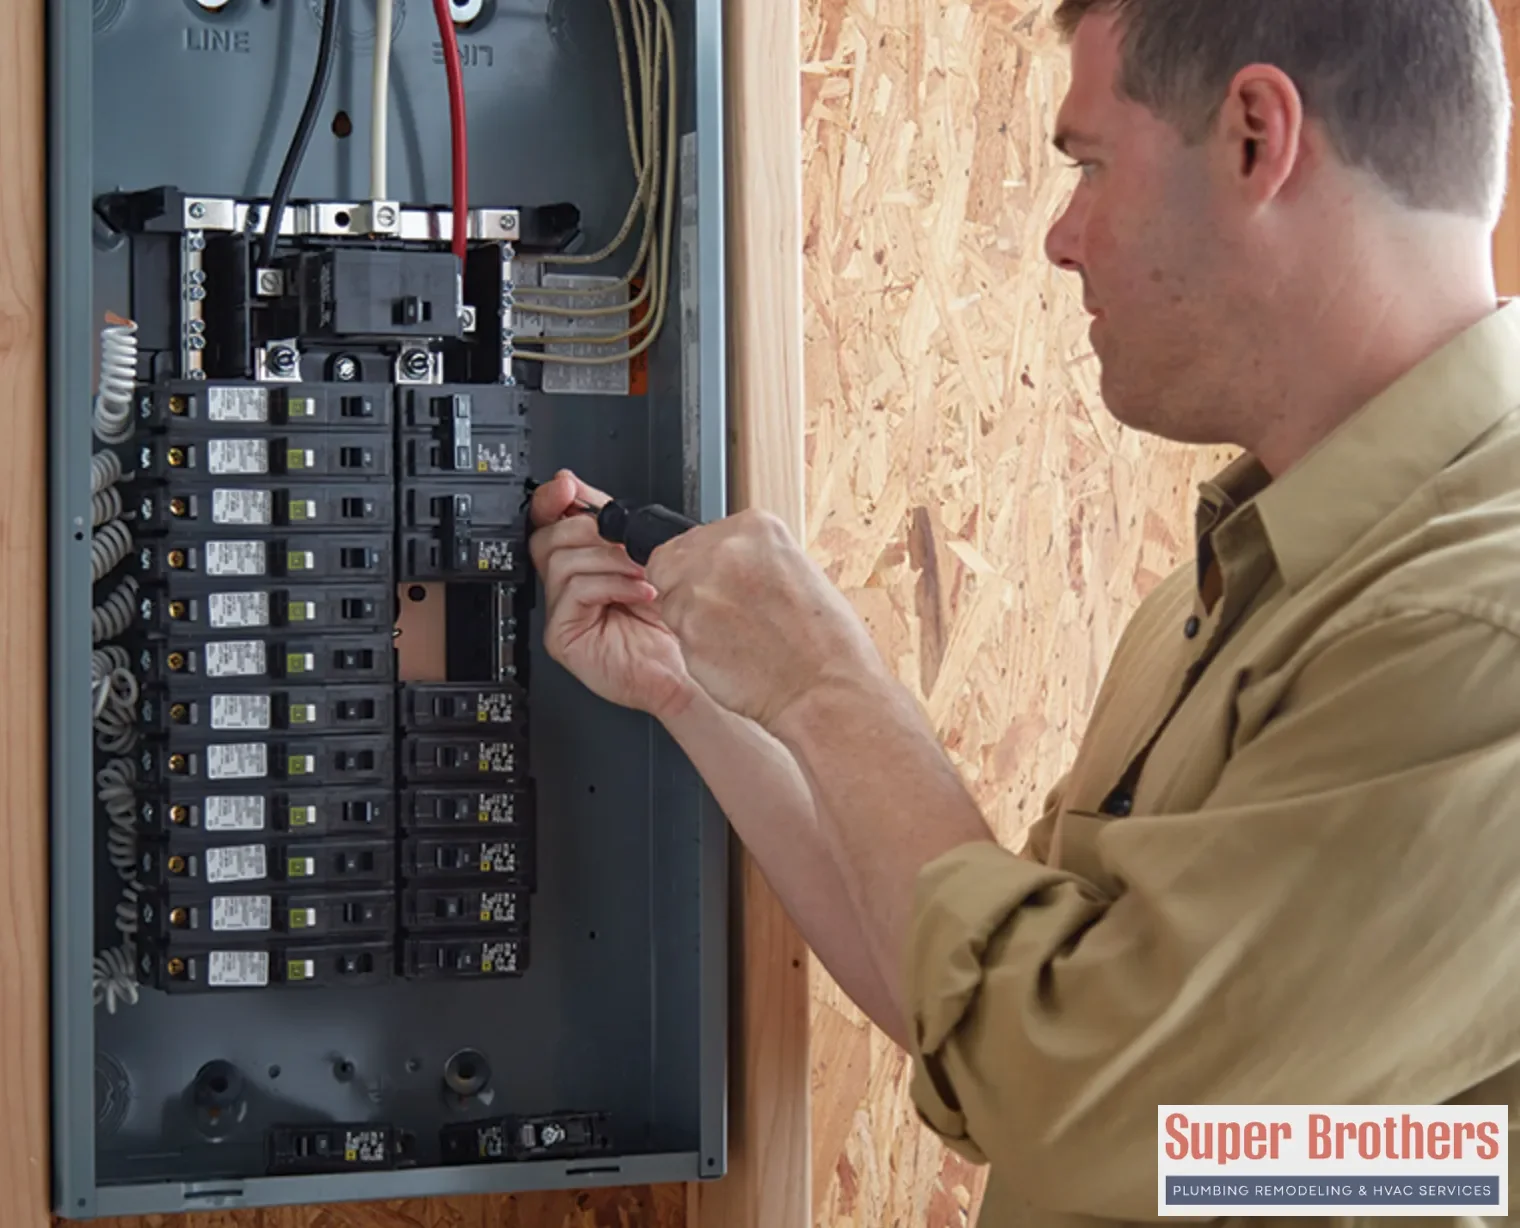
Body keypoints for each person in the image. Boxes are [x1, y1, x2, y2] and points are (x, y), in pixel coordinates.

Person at [529, 0, 1520, 1222]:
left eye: (1090, 164)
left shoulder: (1472, 629)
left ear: (1258, 136)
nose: (1060, 237)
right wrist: (693, 691)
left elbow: (1064, 1081)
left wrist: (826, 685)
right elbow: (982, 1016)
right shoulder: (1264, 576)